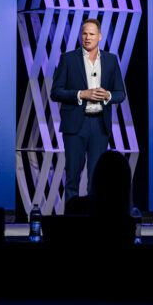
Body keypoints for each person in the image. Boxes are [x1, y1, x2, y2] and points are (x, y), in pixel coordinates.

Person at [50, 18, 126, 201]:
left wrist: (107, 95)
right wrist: (81, 94)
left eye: (92, 34)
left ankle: (94, 222)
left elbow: (120, 93)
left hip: (100, 126)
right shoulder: (68, 58)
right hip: (75, 125)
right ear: (80, 36)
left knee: (97, 179)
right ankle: (71, 222)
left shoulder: (110, 60)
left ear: (99, 36)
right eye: (84, 33)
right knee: (72, 178)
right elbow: (55, 92)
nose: (87, 37)